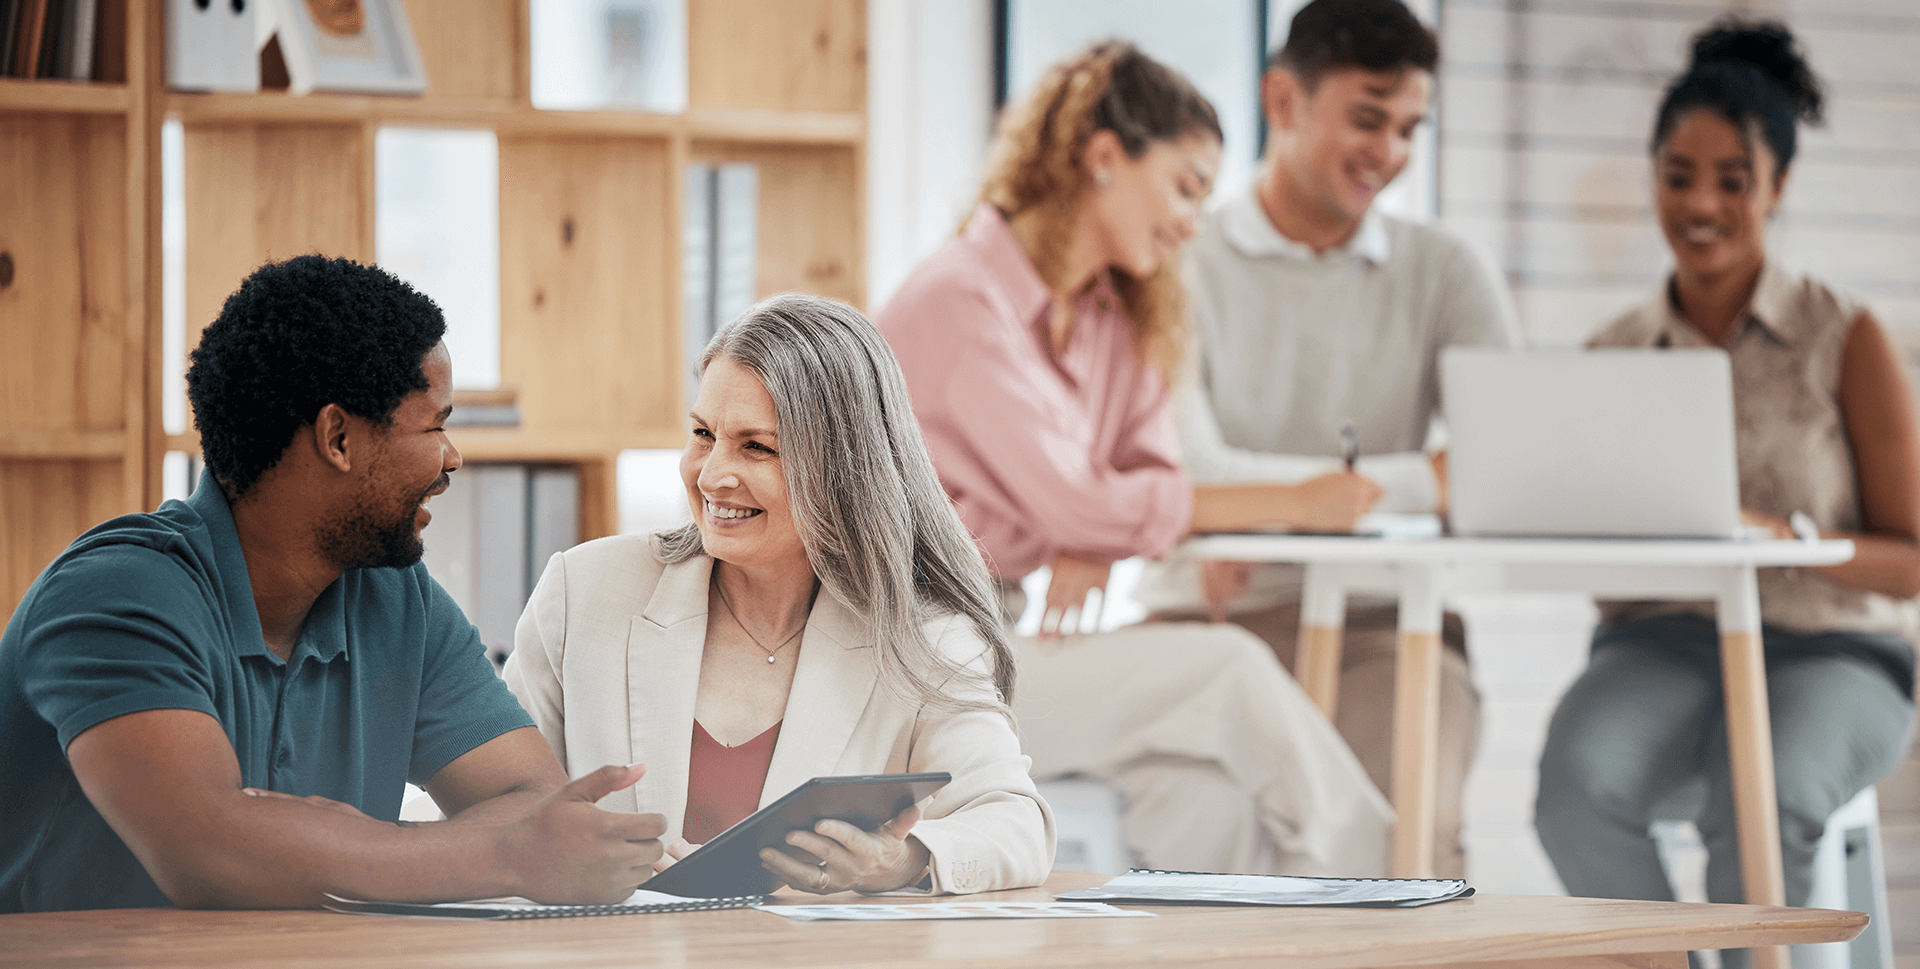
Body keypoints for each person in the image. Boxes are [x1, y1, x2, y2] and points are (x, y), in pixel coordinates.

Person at [0, 256, 666, 912]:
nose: (452, 456)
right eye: (434, 423)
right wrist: (503, 855)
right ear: (338, 436)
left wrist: (318, 842)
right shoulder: (114, 596)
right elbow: (208, 852)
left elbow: (533, 801)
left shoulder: (397, 599)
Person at [877, 40, 1391, 877]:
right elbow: (1087, 499)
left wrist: (1092, 531)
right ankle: (1390, 890)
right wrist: (1288, 500)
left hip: (998, 638)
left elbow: (1144, 475)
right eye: (1186, 186)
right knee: (1228, 669)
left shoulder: (1116, 319)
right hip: (916, 666)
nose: (1195, 220)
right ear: (1105, 157)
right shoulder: (962, 301)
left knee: (1206, 800)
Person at [1534, 19, 1919, 928]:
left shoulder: (1844, 335)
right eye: (1677, 176)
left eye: (1733, 180)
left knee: (1757, 798)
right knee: (1574, 791)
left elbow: (1910, 559)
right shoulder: (1614, 352)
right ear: (1653, 178)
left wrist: (1782, 537)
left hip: (1832, 651)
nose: (1700, 204)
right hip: (1662, 645)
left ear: (1777, 187)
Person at [1130, 0, 1519, 879]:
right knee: (1203, 847)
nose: (1389, 151)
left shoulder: (1445, 271)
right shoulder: (1178, 260)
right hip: (1208, 613)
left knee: (1409, 840)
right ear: (1283, 101)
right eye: (1368, 118)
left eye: (1410, 128)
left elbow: (1507, 461)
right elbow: (1189, 470)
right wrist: (1419, 479)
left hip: (1392, 623)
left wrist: (1251, 509)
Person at [502, 294, 1053, 896]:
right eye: (703, 434)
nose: (711, 475)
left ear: (844, 467)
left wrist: (900, 860)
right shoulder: (584, 591)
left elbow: (1016, 825)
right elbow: (494, 807)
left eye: (756, 447)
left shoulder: (927, 636)